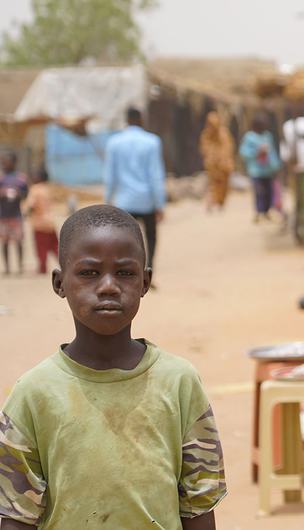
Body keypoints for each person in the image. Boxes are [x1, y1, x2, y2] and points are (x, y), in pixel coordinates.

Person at [0, 205, 225, 530]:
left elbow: (200, 505)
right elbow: (16, 517)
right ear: (60, 283)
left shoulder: (179, 382)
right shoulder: (33, 394)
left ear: (145, 282)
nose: (108, 286)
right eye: (89, 273)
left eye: (125, 273)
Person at [104, 107, 165, 271]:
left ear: (127, 120)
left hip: (124, 202)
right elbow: (155, 175)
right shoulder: (152, 141)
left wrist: (108, 200)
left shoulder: (114, 143)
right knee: (150, 238)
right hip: (147, 201)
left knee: (124, 239)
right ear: (141, 120)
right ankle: (148, 270)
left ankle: (126, 270)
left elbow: (110, 176)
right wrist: (160, 204)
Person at [239, 116, 283, 223]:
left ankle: (267, 212)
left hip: (268, 170)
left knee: (269, 192)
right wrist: (257, 152)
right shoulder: (249, 137)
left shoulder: (267, 136)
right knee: (259, 192)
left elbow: (272, 152)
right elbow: (243, 153)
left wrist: (276, 166)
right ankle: (259, 212)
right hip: (256, 171)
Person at [199, 110, 235, 212]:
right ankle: (211, 202)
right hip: (212, 165)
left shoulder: (224, 133)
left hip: (223, 164)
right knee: (212, 184)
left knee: (223, 185)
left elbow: (228, 148)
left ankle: (221, 202)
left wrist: (224, 160)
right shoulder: (206, 135)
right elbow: (204, 148)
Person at [24, 168, 58, 275]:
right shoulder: (47, 189)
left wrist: (25, 213)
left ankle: (42, 268)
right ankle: (66, 265)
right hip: (51, 222)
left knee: (41, 247)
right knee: (55, 246)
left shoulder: (35, 189)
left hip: (39, 223)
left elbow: (31, 205)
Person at [0, 152, 29, 275]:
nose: (4, 164)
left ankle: (20, 267)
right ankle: (7, 268)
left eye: (7, 161)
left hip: (16, 215)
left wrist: (19, 194)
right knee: (5, 242)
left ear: (14, 162)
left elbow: (26, 194)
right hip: (3, 215)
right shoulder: (1, 178)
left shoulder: (21, 178)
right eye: (3, 162)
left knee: (18, 242)